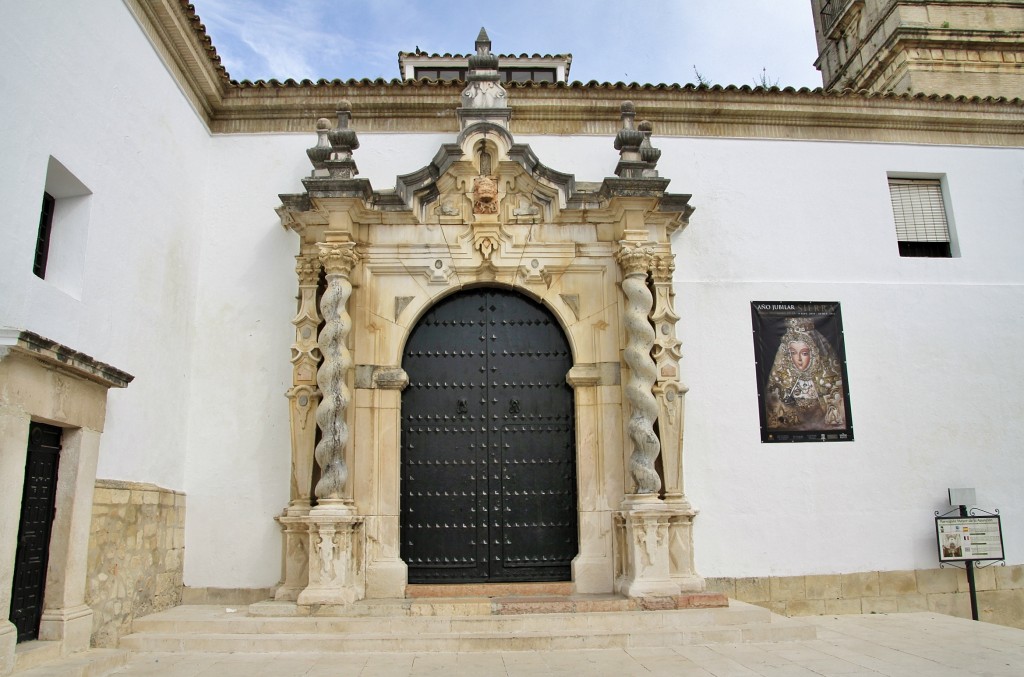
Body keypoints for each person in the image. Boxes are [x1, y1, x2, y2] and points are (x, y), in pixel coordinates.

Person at [765, 317, 846, 431]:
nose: (798, 359)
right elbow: (775, 416)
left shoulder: (828, 379)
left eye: (804, 353)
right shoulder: (781, 379)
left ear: (813, 353)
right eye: (793, 353)